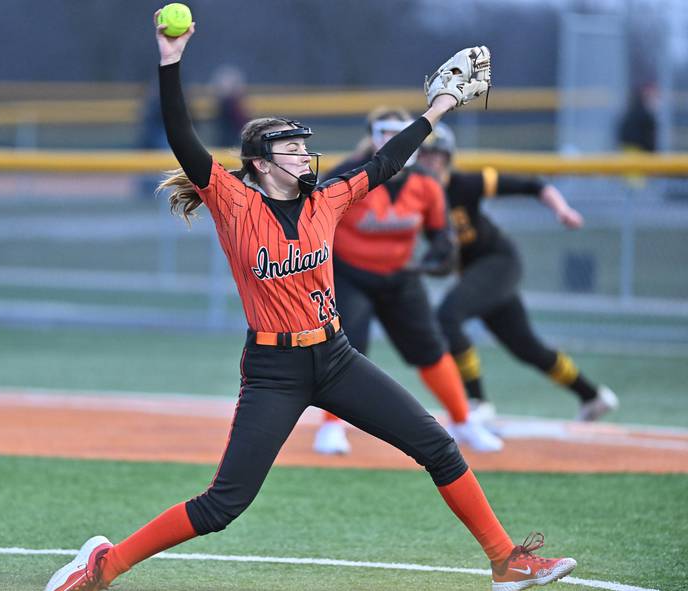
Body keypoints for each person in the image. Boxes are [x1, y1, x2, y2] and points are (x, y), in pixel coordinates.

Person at [44, 19, 576, 591]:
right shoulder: (233, 202)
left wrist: (440, 106)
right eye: (291, 149)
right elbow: (181, 137)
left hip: (336, 357)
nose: (304, 155)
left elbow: (386, 160)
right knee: (224, 505)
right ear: (260, 162)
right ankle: (107, 564)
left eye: (303, 146)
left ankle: (505, 560)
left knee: (438, 446)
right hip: (275, 372)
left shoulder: (327, 199)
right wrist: (170, 61)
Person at [313, 106, 502, 455]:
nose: (395, 139)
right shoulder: (349, 175)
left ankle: (463, 421)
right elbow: (315, 224)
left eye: (402, 131)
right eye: (386, 131)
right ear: (372, 136)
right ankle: (330, 427)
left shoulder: (425, 183)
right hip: (350, 274)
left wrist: (441, 252)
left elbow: (439, 232)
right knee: (345, 350)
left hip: (401, 275)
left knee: (430, 347)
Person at [417, 123, 619, 425]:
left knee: (448, 315)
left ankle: (477, 400)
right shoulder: (413, 195)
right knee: (525, 345)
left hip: (498, 262)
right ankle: (592, 396)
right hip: (474, 273)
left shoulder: (465, 185)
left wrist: (561, 209)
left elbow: (533, 185)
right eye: (425, 155)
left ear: (448, 158)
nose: (431, 162)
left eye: (437, 155)